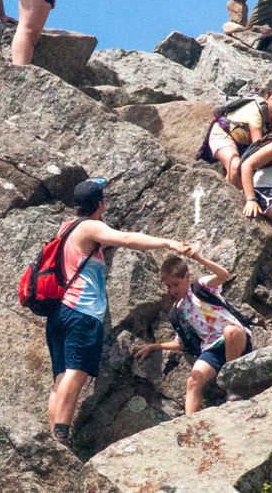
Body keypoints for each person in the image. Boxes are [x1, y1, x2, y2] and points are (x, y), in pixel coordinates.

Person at [47, 177, 197, 446]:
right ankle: (61, 432)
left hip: (58, 311)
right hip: (81, 310)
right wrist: (167, 243)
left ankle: (53, 436)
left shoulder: (66, 228)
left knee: (61, 376)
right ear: (100, 204)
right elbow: (126, 239)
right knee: (77, 371)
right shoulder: (91, 226)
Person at [135, 253, 252, 415]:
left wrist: (197, 258)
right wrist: (154, 346)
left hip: (237, 340)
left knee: (230, 331)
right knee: (193, 381)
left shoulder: (201, 287)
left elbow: (223, 275)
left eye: (176, 284)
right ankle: (190, 424)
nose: (172, 290)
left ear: (187, 277)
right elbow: (181, 343)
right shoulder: (176, 313)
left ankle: (232, 390)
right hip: (212, 350)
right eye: (168, 287)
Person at [207, 80, 272, 189]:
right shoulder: (255, 110)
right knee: (235, 169)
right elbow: (258, 144)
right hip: (223, 135)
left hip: (244, 144)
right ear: (266, 98)